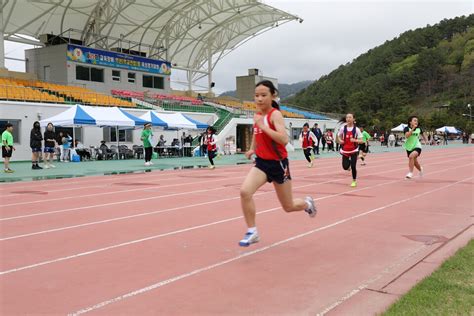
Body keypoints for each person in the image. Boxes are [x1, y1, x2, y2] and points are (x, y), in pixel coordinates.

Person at [239, 80, 317, 247]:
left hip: (278, 164)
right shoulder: (257, 115)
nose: (259, 99)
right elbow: (256, 133)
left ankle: (307, 203)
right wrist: (252, 149)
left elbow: (283, 139)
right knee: (245, 192)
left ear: (273, 95)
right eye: (256, 96)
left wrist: (263, 126)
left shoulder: (275, 115)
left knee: (288, 206)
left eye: (263, 95)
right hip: (262, 163)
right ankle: (252, 231)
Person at [336, 113, 364, 187]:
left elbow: (361, 140)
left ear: (353, 119)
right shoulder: (343, 128)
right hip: (345, 150)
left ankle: (354, 181)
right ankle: (349, 166)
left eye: (350, 117)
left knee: (353, 166)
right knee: (345, 167)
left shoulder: (356, 129)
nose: (348, 119)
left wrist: (354, 140)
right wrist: (340, 140)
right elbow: (338, 136)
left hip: (354, 150)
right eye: (347, 117)